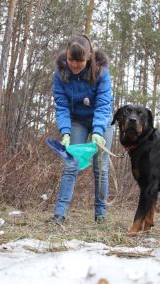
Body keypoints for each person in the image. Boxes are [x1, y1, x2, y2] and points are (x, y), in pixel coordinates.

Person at [50, 34, 114, 224]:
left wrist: (98, 131)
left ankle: (100, 216)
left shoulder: (101, 71)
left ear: (88, 57)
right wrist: (66, 132)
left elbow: (104, 104)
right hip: (76, 120)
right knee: (71, 164)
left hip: (101, 120)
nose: (75, 65)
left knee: (100, 168)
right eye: (71, 60)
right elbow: (61, 105)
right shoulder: (60, 73)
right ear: (66, 56)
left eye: (80, 61)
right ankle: (59, 214)